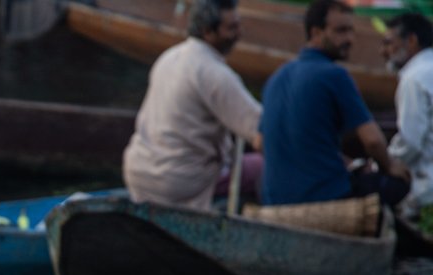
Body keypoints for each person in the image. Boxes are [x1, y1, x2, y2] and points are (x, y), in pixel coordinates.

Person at [258, 0, 409, 206]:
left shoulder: (276, 76)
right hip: (326, 197)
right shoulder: (335, 75)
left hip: (274, 199)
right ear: (316, 32)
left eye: (350, 31)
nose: (349, 39)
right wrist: (390, 166)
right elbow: (373, 141)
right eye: (341, 31)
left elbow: (260, 142)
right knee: (398, 184)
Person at [122, 0, 264, 211]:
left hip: (138, 173)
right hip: (180, 183)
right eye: (231, 28)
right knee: (262, 167)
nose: (239, 33)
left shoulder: (169, 57)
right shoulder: (217, 75)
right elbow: (262, 133)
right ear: (208, 32)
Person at [382, 13, 433, 217]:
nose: (383, 51)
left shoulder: (414, 77)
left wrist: (384, 161)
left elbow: (410, 142)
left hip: (426, 189)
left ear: (411, 40)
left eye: (388, 43)